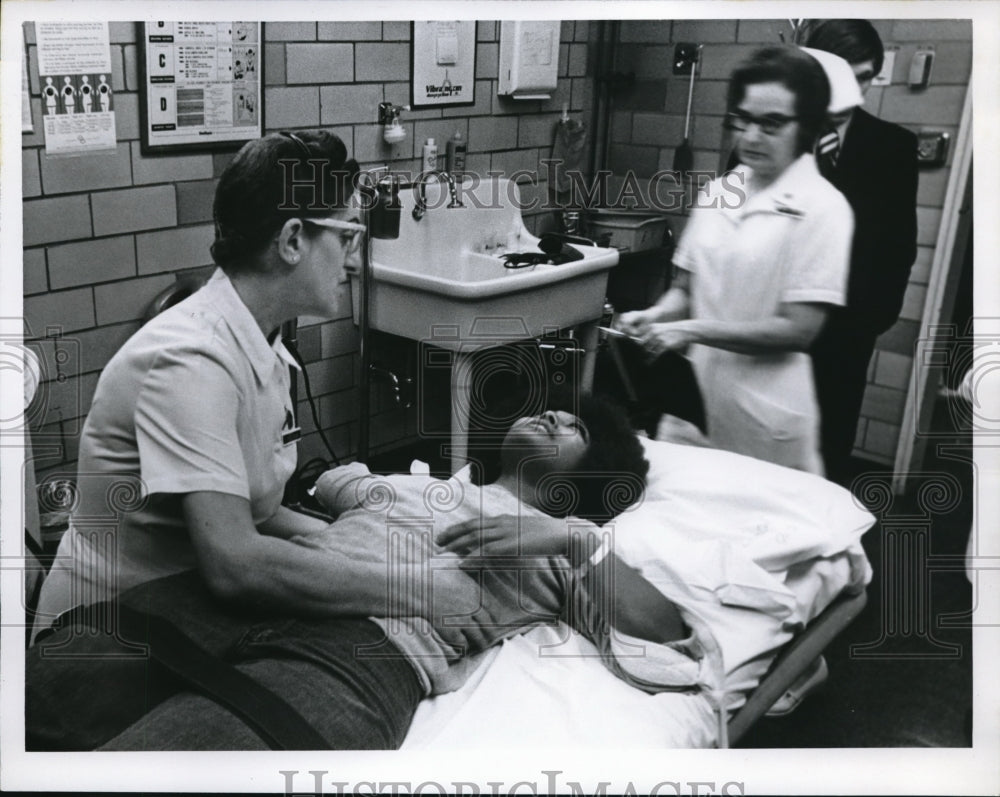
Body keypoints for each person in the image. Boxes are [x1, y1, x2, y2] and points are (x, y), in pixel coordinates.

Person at [29, 130, 479, 750]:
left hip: (188, 616)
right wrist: (417, 588)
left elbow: (262, 514)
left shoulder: (263, 346)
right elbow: (236, 563)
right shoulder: (189, 359)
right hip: (108, 639)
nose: (355, 260)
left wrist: (373, 553)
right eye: (347, 235)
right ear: (294, 240)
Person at [29, 398, 706, 750]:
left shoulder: (561, 549)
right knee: (44, 688)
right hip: (277, 583)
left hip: (361, 652)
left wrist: (562, 535)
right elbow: (317, 482)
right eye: (558, 409)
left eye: (574, 427)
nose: (554, 412)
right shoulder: (411, 487)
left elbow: (670, 631)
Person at [615, 46, 854, 476]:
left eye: (772, 123)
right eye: (742, 120)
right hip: (694, 405)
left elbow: (799, 330)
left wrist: (689, 330)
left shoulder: (824, 207)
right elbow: (686, 291)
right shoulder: (720, 191)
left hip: (768, 420)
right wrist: (655, 317)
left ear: (808, 127)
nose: (751, 136)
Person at [804, 19, 920, 485]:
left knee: (826, 461)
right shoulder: (766, 136)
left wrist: (868, 325)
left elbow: (898, 247)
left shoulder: (893, 148)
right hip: (761, 334)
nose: (853, 90)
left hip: (843, 340)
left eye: (865, 77)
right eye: (840, 75)